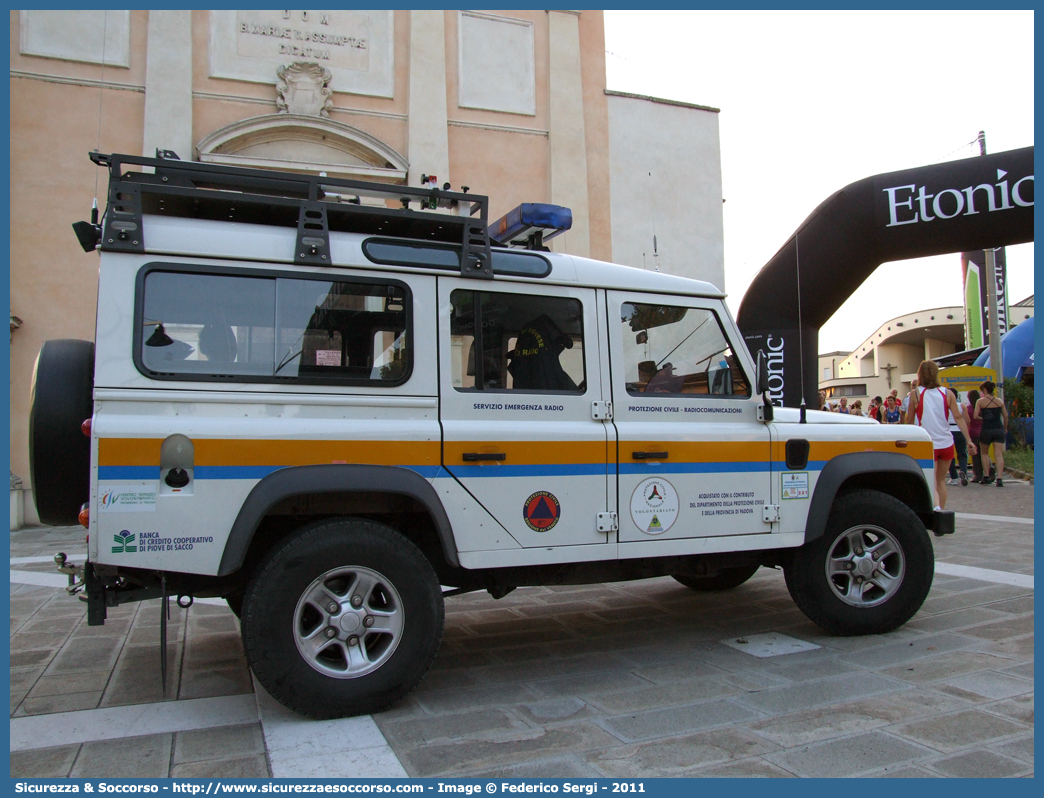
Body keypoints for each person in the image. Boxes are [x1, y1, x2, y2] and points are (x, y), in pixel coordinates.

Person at [905, 361, 976, 510]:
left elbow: (909, 420)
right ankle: (941, 513)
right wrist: (969, 440)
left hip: (926, 443)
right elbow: (958, 417)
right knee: (941, 481)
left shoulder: (915, 393)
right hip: (946, 442)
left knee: (931, 482)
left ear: (920, 374)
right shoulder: (947, 393)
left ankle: (935, 509)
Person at [974, 381, 1008, 487]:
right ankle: (999, 478)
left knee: (984, 453)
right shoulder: (999, 401)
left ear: (984, 390)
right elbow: (1006, 416)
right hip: (998, 429)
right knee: (998, 454)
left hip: (986, 429)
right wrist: (1005, 428)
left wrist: (982, 418)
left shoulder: (980, 401)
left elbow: (975, 416)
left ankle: (987, 476)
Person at [945, 388, 969, 487]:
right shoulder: (962, 406)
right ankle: (964, 472)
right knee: (962, 453)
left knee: (950, 455)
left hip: (948, 430)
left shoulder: (945, 406)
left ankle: (953, 477)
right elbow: (967, 420)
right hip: (959, 430)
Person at [964, 389, 984, 483]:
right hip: (983, 431)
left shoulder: (969, 409)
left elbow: (967, 421)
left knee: (975, 455)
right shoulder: (981, 407)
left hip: (972, 432)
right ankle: (988, 470)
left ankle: (977, 475)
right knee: (984, 453)